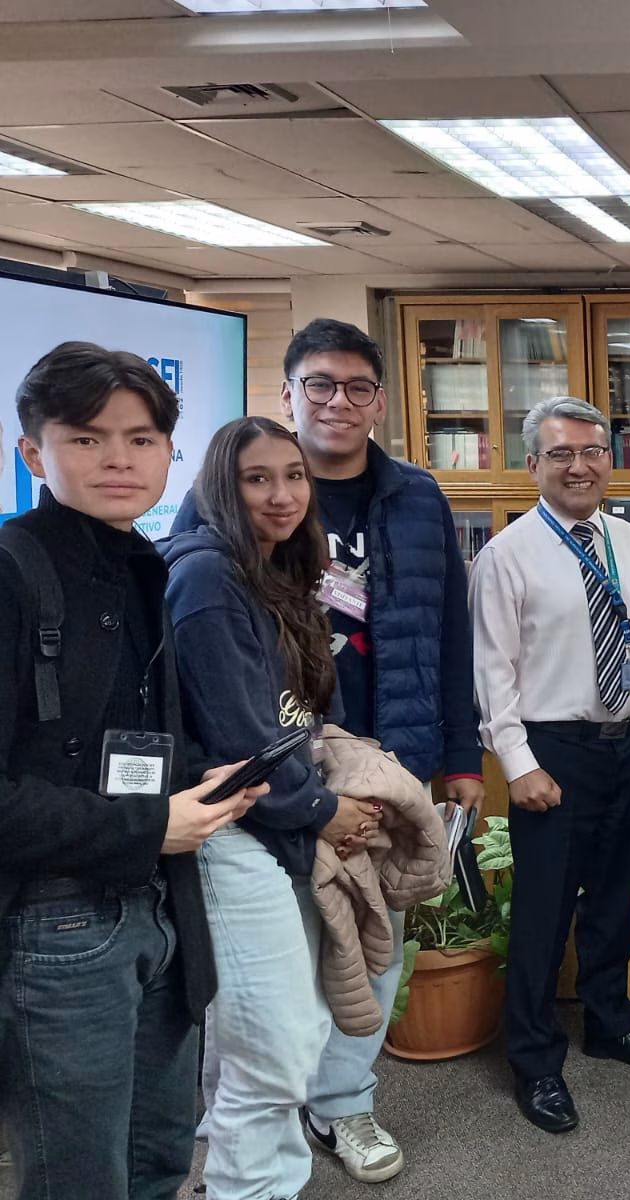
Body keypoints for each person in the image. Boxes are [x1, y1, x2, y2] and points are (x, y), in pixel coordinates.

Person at [175, 317, 484, 1183]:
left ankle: (345, 1104)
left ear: (381, 402)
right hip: (279, 766)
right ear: (287, 394)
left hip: (391, 752)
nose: (338, 402)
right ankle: (249, 1108)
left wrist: (460, 751)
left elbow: (450, 630)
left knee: (368, 929)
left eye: (356, 387)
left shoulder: (419, 495)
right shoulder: (224, 523)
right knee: (272, 952)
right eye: (319, 384)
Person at [0, 343, 261, 1200]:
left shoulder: (151, 566)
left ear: (169, 455)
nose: (119, 458)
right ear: (33, 453)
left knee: (156, 1162)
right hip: (55, 927)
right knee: (79, 1178)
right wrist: (151, 824)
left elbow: (130, 734)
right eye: (86, 438)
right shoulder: (12, 574)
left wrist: (214, 777)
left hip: (160, 908)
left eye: (142, 439)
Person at [164, 417, 379, 1200]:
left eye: (294, 475)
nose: (283, 494)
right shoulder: (206, 577)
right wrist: (324, 810)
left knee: (260, 1039)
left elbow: (310, 710)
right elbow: (238, 733)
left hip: (281, 818)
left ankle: (241, 1182)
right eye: (258, 478)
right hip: (235, 831)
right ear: (224, 483)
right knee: (280, 1047)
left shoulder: (280, 569)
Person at [471, 396, 630, 1137]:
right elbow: (492, 673)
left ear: (609, 461)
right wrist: (519, 764)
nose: (579, 465)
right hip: (552, 754)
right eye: (560, 453)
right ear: (533, 464)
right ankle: (535, 1061)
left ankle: (609, 1023)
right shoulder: (508, 554)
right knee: (543, 915)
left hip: (627, 745)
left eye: (592, 451)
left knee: (614, 901)